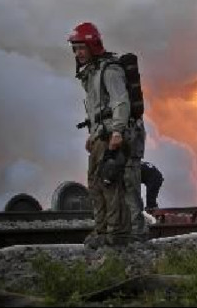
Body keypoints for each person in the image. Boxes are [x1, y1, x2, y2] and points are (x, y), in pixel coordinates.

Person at [69, 22, 132, 248]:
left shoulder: (110, 70)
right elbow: (97, 109)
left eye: (81, 48)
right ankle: (102, 230)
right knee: (95, 184)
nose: (78, 53)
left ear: (93, 46)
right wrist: (93, 134)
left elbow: (120, 102)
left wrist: (117, 131)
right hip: (99, 136)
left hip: (109, 138)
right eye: (75, 49)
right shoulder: (92, 73)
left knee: (109, 184)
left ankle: (115, 235)